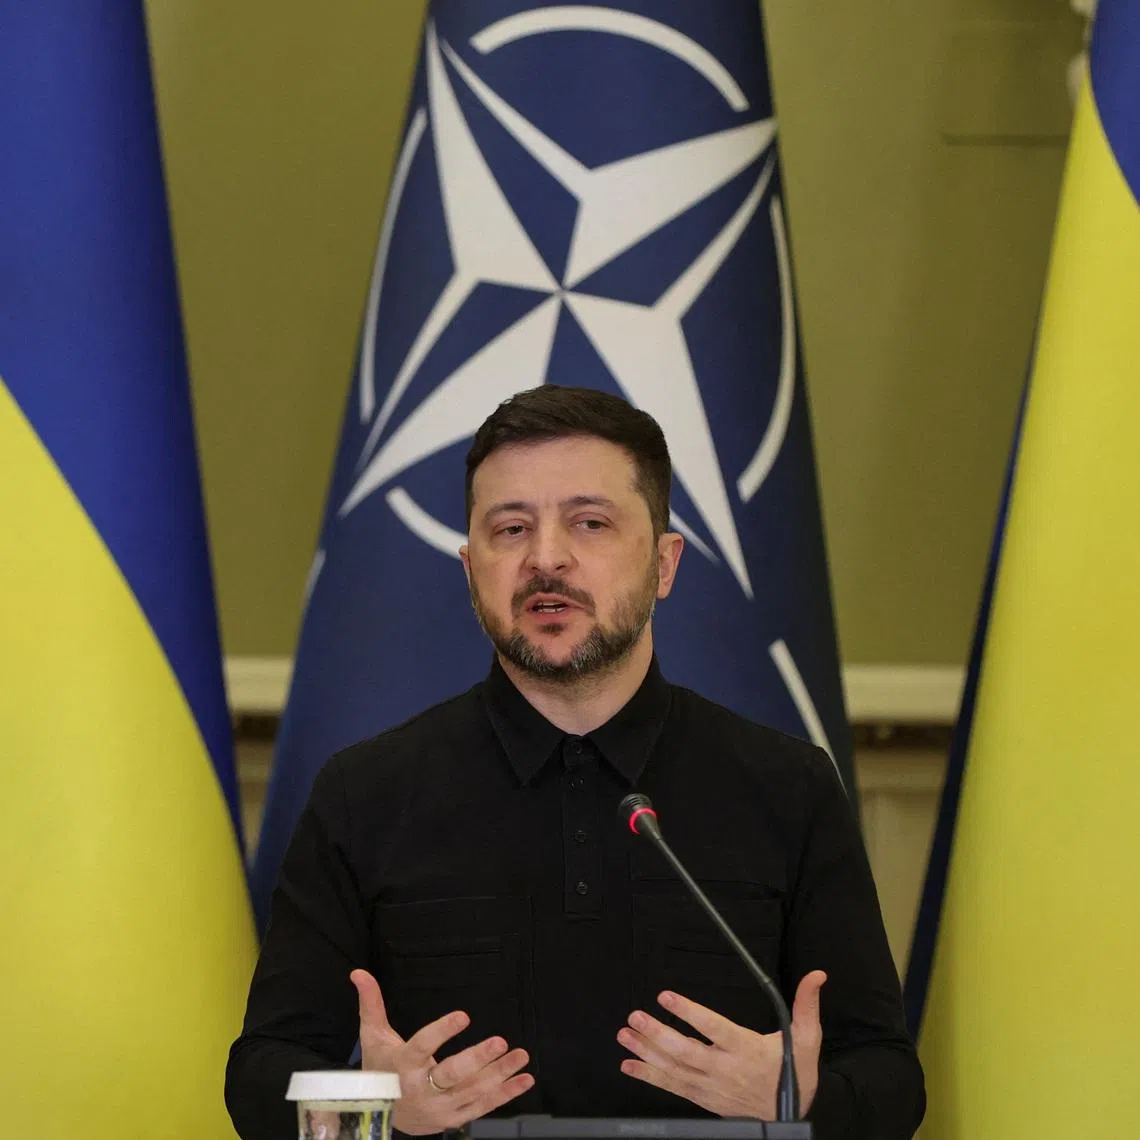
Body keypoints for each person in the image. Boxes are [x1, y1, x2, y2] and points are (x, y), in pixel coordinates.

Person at [225, 386, 925, 1140]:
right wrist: (376, 1112)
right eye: (510, 528)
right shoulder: (365, 795)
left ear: (664, 563)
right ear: (470, 569)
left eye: (589, 523)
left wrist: (798, 1103)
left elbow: (890, 1078)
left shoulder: (787, 789)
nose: (546, 558)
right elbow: (261, 1075)